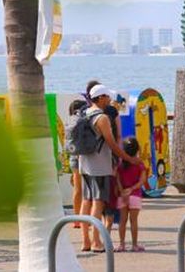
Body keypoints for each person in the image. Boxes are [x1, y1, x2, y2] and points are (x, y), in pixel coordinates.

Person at [79, 84, 139, 254]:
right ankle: (96, 241)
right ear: (100, 98)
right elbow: (112, 143)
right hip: (99, 166)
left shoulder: (84, 113)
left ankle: (86, 240)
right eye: (107, 97)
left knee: (86, 201)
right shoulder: (102, 118)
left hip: (85, 163)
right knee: (98, 203)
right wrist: (128, 158)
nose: (110, 100)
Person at [114, 137, 147, 253]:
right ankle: (134, 245)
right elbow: (142, 181)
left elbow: (117, 179)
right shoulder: (139, 163)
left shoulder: (120, 164)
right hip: (135, 195)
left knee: (122, 221)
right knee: (134, 221)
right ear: (137, 149)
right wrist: (131, 189)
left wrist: (122, 191)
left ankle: (121, 244)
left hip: (122, 196)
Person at [67, 98, 88, 228]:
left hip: (73, 157)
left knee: (77, 189)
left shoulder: (70, 122)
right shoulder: (83, 121)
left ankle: (76, 220)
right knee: (86, 190)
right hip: (84, 156)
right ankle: (86, 219)